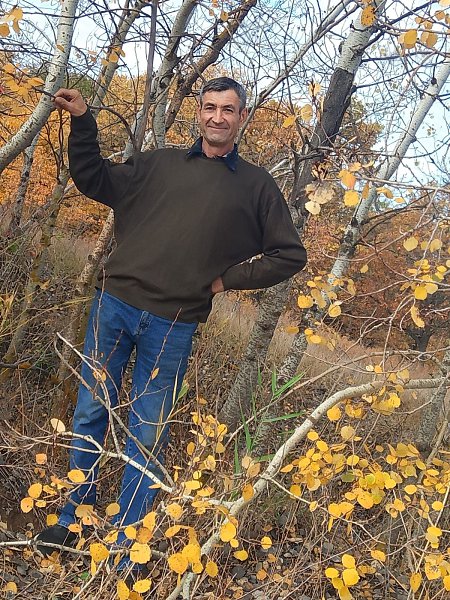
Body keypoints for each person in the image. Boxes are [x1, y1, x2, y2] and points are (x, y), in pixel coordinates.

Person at [35, 77, 307, 566]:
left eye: (228, 109)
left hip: (174, 324)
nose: (217, 117)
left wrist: (226, 280)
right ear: (198, 113)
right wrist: (83, 121)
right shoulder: (158, 163)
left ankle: (124, 548)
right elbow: (94, 178)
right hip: (114, 307)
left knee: (146, 433)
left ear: (242, 117)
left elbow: (290, 255)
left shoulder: (256, 187)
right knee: (91, 412)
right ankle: (74, 518)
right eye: (210, 107)